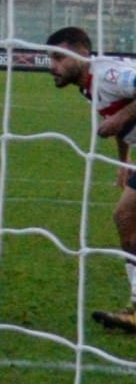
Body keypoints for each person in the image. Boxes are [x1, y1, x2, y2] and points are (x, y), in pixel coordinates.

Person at [44, 26, 136, 331]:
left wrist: (120, 118)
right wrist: (123, 161)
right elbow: (121, 116)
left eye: (59, 58)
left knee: (126, 216)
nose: (52, 66)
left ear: (83, 54)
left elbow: (120, 115)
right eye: (50, 58)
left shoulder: (108, 76)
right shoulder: (89, 85)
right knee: (126, 218)